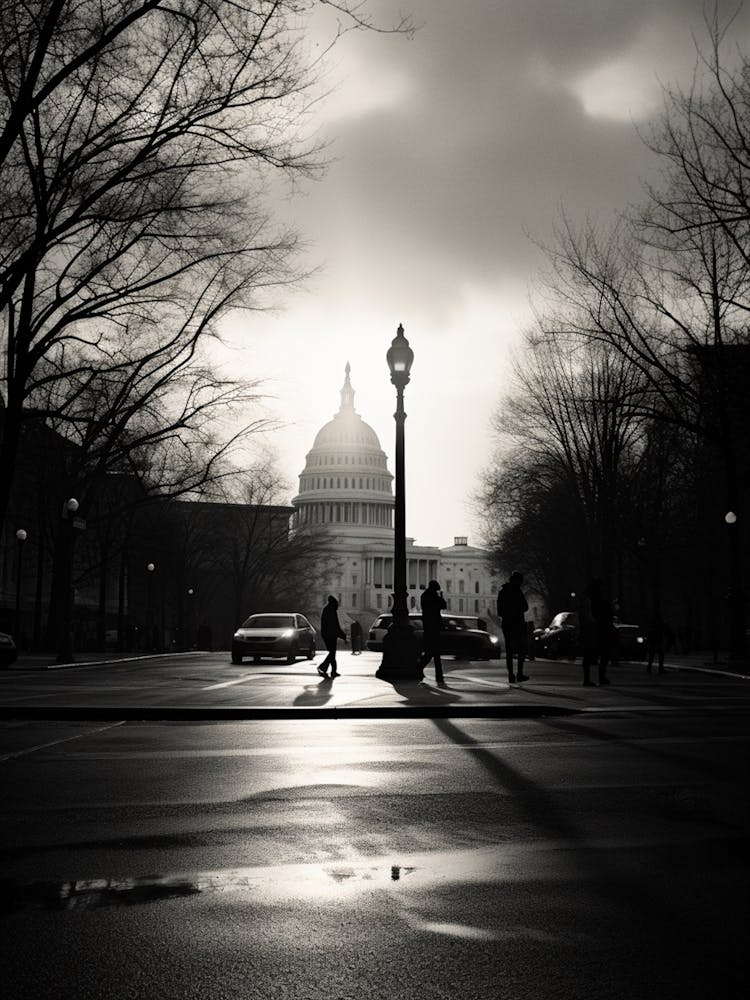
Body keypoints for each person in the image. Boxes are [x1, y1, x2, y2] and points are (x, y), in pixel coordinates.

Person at [497, 571, 529, 683]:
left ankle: (511, 675)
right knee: (521, 650)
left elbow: (499, 611)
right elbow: (525, 607)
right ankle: (519, 673)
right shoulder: (517, 592)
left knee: (509, 651)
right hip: (518, 623)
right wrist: (516, 610)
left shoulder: (502, 592)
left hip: (507, 624)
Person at [583, 578, 615, 686]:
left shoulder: (588, 600)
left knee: (589, 654)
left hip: (593, 630)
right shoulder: (601, 602)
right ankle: (600, 677)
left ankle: (588, 678)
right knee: (603, 654)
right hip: (600, 629)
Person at [419, 579, 447, 684]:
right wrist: (441, 596)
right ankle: (438, 677)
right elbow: (443, 605)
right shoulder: (434, 596)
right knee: (434, 653)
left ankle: (420, 669)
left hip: (428, 626)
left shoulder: (424, 595)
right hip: (434, 626)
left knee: (432, 652)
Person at [318, 595, 346, 678]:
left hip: (327, 634)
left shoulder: (327, 609)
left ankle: (333, 671)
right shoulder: (331, 610)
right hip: (331, 635)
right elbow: (335, 625)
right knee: (332, 653)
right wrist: (342, 635)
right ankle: (323, 667)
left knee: (332, 653)